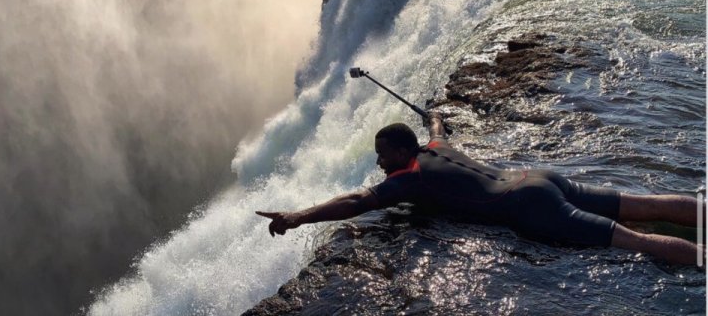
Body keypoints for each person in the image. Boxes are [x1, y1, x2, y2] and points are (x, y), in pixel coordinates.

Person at [257, 113, 703, 265]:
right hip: (538, 176)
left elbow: (356, 202)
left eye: (382, 154)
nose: (378, 162)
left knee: (636, 241)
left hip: (527, 204)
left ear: (399, 151)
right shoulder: (435, 145)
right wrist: (433, 116)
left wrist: (298, 216)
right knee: (642, 205)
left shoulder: (407, 179)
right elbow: (436, 125)